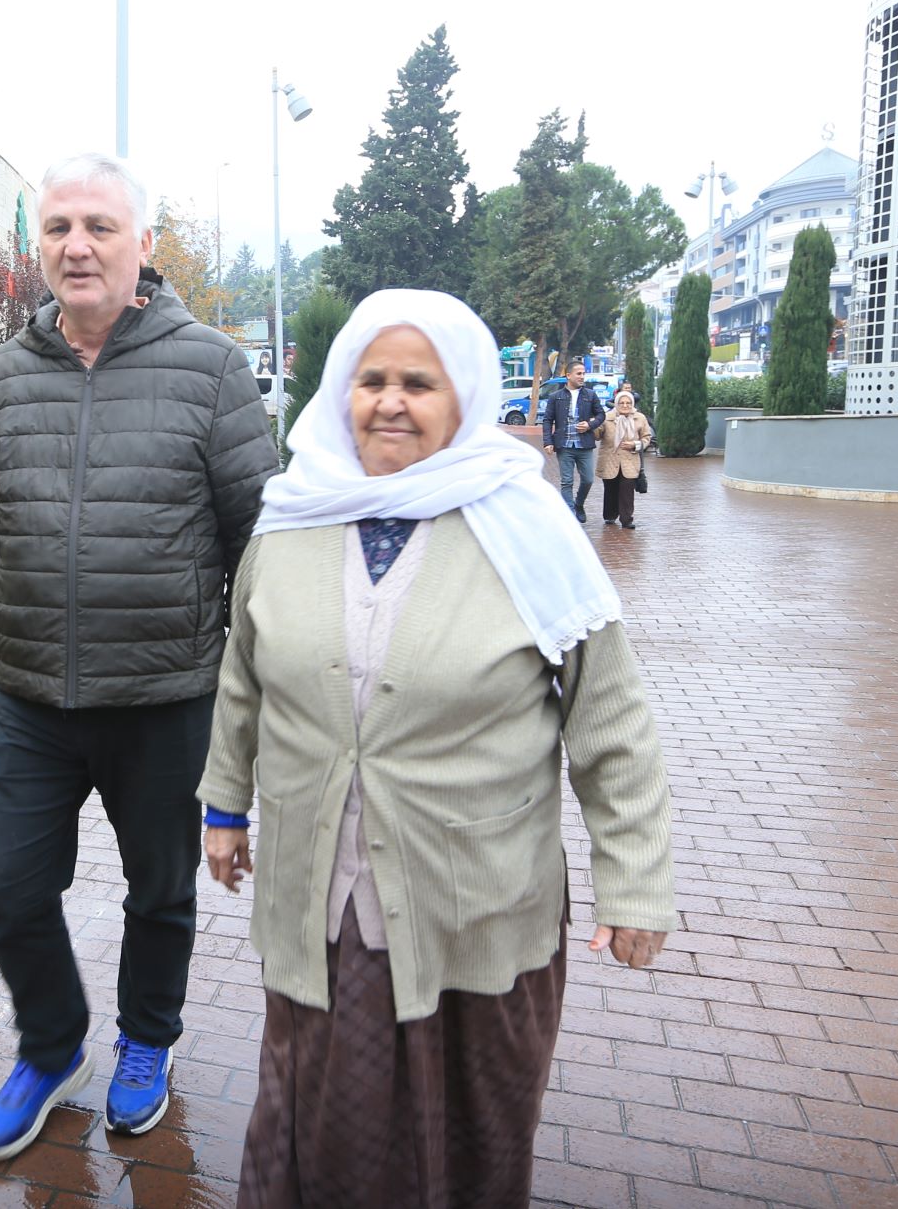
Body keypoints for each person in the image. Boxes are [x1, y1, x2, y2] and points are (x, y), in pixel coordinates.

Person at [198, 289, 676, 1206]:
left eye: (418, 382)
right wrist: (224, 809)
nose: (390, 400)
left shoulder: (529, 528)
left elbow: (611, 719)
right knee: (314, 1128)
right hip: (321, 899)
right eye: (370, 378)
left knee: (470, 1138)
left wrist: (636, 882)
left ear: (464, 395)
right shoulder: (292, 515)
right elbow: (243, 679)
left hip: (476, 904)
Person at [0, 152, 280, 1161]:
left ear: (143, 243)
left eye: (98, 226)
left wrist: (255, 682)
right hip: (31, 696)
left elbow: (259, 539)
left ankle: (147, 1041)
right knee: (8, 885)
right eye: (58, 228)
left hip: (166, 695)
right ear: (38, 247)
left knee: (160, 891)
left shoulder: (210, 369)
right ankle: (51, 1048)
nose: (76, 246)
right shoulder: (4, 378)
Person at [540, 360, 607, 520]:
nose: (582, 376)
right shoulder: (555, 396)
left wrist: (590, 425)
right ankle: (569, 515)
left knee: (588, 479)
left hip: (585, 444)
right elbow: (547, 420)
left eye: (583, 373)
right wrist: (548, 442)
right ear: (568, 375)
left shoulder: (590, 395)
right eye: (579, 373)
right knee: (567, 481)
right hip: (564, 445)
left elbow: (601, 415)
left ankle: (579, 504)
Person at [598, 388, 653, 530]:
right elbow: (597, 435)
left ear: (632, 403)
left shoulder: (639, 418)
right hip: (610, 459)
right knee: (610, 488)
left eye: (628, 403)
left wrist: (635, 444)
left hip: (630, 460)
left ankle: (626, 519)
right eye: (621, 403)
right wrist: (593, 425)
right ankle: (610, 515)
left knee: (627, 490)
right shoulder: (606, 417)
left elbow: (646, 437)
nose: (625, 405)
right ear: (616, 403)